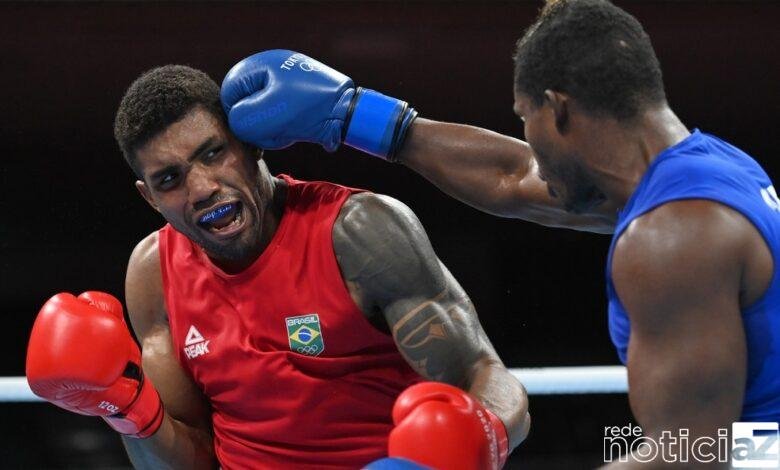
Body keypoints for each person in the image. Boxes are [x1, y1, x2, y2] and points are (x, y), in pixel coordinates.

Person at [219, 0, 780, 467]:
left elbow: (695, 453)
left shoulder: (669, 240)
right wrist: (354, 115)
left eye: (523, 118)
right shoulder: (712, 173)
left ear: (557, 110)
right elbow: (513, 179)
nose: (528, 142)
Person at [25, 65, 531, 469]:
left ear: (251, 145)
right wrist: (129, 410)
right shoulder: (153, 273)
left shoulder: (357, 233)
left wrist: (474, 437)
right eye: (170, 178)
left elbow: (485, 375)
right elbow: (188, 457)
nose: (201, 188)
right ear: (150, 198)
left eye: (213, 154)